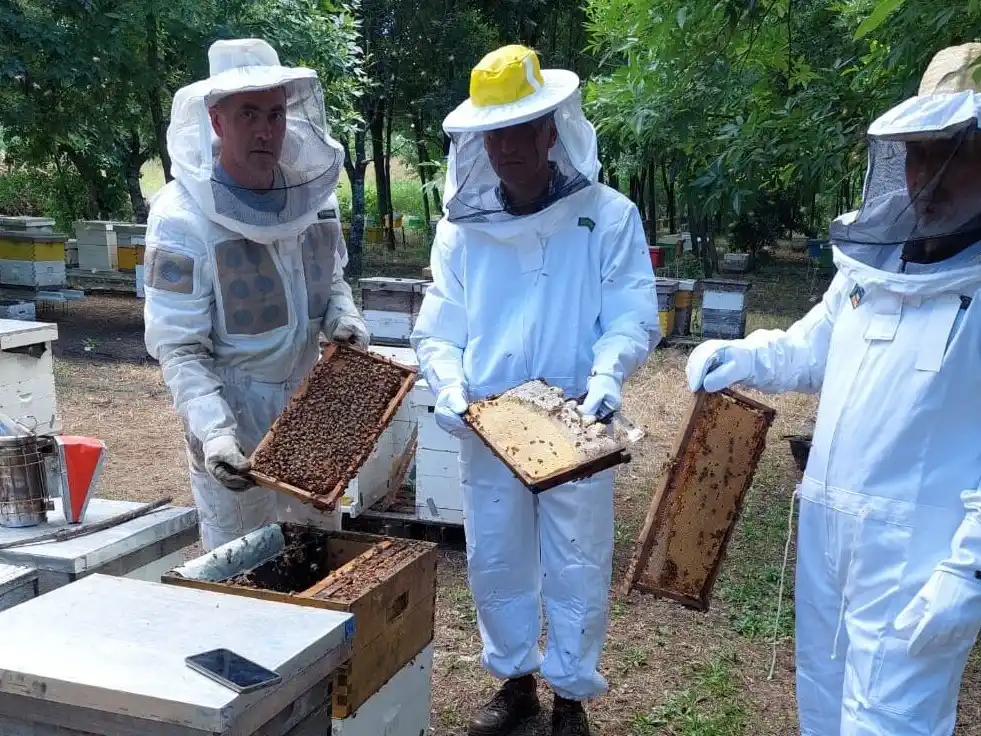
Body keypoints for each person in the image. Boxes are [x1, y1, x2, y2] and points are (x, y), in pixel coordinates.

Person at [686, 43, 981, 736]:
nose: (925, 177)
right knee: (822, 706)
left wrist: (968, 573)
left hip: (921, 557)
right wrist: (739, 354)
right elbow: (810, 349)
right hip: (827, 531)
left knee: (889, 726)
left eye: (952, 154)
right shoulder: (868, 268)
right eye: (914, 152)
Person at [411, 45, 659, 736]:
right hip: (489, 423)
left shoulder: (608, 216)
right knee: (496, 552)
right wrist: (451, 389)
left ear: (553, 129)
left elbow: (632, 314)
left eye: (523, 130)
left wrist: (607, 378)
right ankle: (515, 683)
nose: (510, 147)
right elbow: (438, 327)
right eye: (497, 133)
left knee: (576, 555)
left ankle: (570, 696)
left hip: (574, 417)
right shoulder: (461, 230)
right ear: (479, 141)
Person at [144, 38, 369, 551]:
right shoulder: (181, 218)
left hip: (311, 410)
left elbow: (330, 281)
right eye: (248, 114)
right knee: (245, 571)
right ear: (217, 120)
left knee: (319, 559)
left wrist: (344, 316)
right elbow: (180, 347)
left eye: (274, 113)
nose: (265, 130)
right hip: (234, 414)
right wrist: (215, 432)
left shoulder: (314, 197)